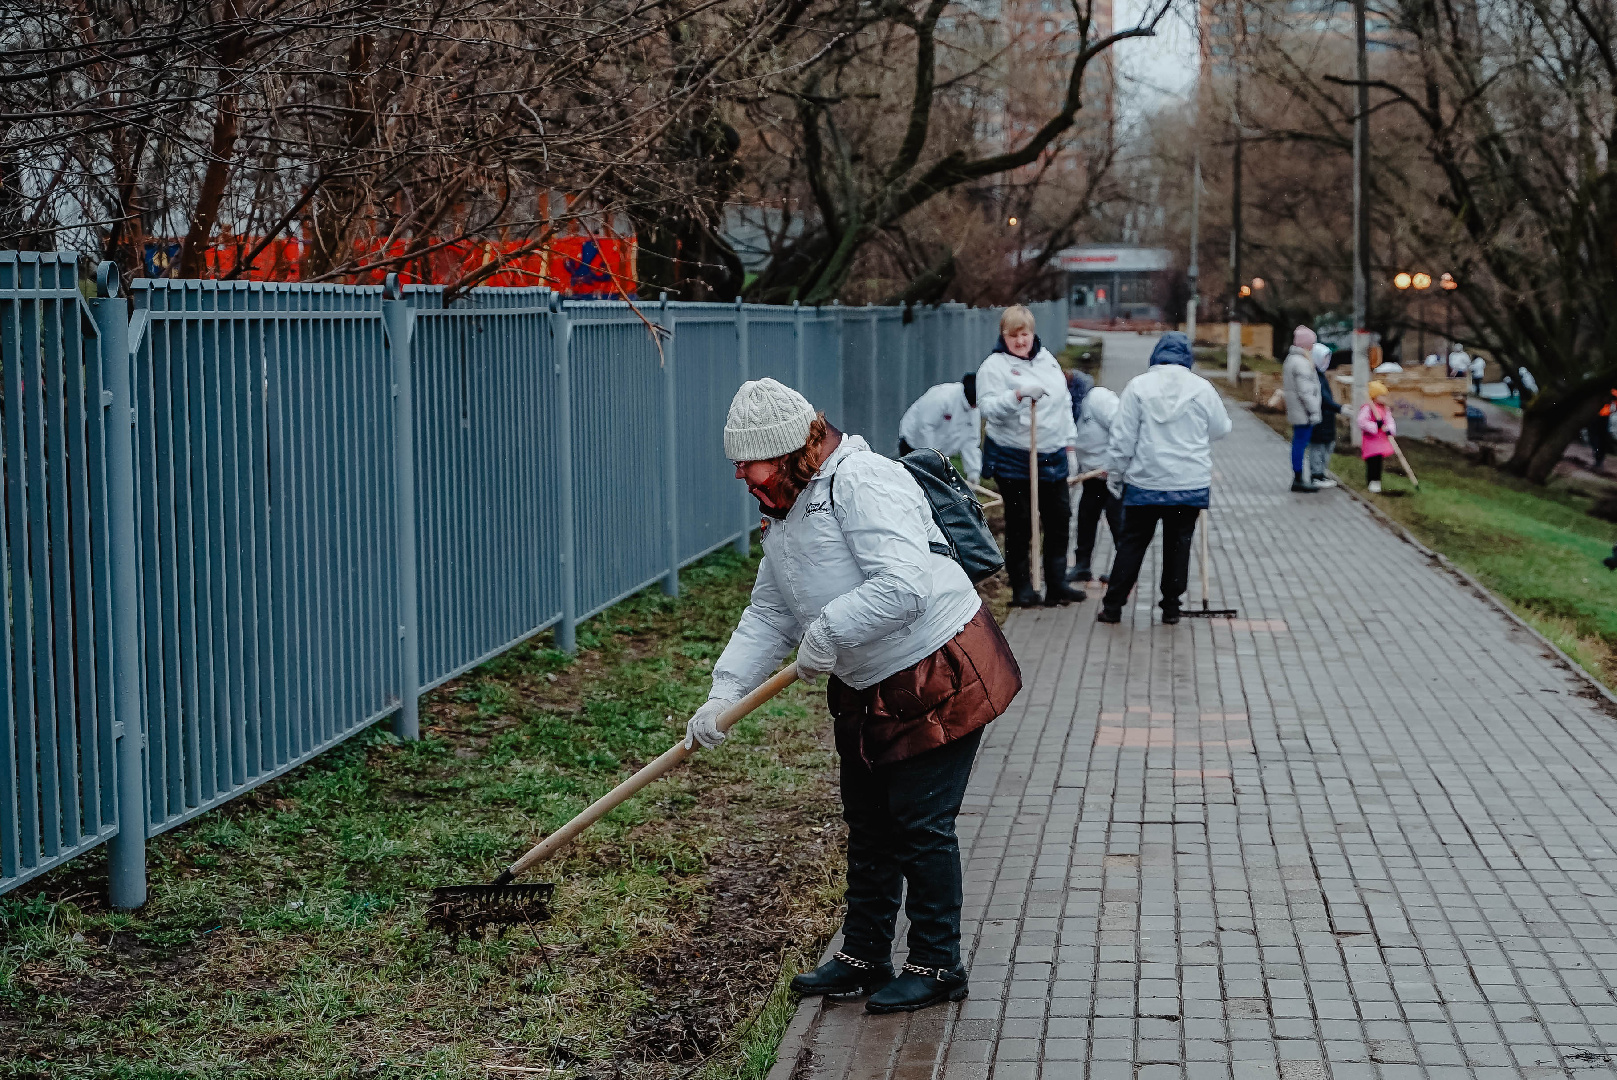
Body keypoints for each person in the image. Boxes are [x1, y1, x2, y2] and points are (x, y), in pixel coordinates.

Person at [685, 377, 1023, 1014]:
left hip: (938, 673)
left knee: (919, 825)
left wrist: (831, 629)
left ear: (789, 452)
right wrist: (724, 692)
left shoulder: (863, 483)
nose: (739, 476)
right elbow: (768, 613)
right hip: (869, 684)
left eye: (748, 462)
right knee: (869, 824)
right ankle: (864, 955)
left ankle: (937, 963)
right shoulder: (787, 509)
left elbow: (904, 587)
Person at [1096, 332, 1232, 625]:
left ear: (1156, 355)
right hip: (1189, 484)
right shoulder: (1202, 388)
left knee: (1132, 544)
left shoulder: (1138, 387)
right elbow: (1221, 428)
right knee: (1178, 545)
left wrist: (1116, 475)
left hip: (1146, 482)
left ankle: (1113, 607)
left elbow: (1122, 439)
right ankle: (1171, 608)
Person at [977, 305, 1083, 607]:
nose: (1020, 341)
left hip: (1052, 453)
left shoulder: (1047, 361)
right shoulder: (994, 366)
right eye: (1013, 336)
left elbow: (1064, 407)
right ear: (1004, 336)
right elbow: (987, 408)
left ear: (1032, 333)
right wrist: (1017, 396)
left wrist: (1070, 446)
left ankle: (1057, 583)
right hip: (1014, 456)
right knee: (1020, 522)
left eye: (1025, 334)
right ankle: (1023, 587)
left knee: (1059, 519)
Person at [1067, 382, 1121, 589]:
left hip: (1112, 474)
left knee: (1117, 520)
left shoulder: (1098, 398)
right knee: (1086, 518)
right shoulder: (1069, 408)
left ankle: (1122, 570)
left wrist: (1114, 464)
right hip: (1090, 475)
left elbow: (1121, 428)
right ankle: (1082, 565)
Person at [897, 374, 982, 484]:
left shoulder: (974, 409)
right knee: (912, 483)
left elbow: (970, 440)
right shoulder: (943, 397)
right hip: (913, 445)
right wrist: (932, 460)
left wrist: (973, 472)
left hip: (939, 454)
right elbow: (925, 427)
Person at [1281, 325, 1324, 492]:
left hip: (1297, 411)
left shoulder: (1292, 360)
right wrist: (1314, 412)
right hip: (1303, 413)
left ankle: (1298, 477)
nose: (1313, 347)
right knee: (1300, 444)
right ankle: (1298, 478)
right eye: (1311, 343)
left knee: (1298, 443)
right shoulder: (1301, 363)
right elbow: (1306, 392)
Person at [1307, 342, 1341, 489]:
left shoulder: (1321, 375)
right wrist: (1340, 408)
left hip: (1326, 419)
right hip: (1318, 420)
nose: (1327, 362)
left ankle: (1321, 473)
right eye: (1324, 358)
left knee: (1327, 446)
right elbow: (1324, 400)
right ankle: (1317, 475)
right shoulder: (1314, 376)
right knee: (1318, 448)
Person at [1359, 380, 1397, 493]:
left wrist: (1389, 429)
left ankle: (1377, 482)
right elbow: (1361, 421)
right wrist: (1375, 425)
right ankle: (1371, 482)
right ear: (1375, 396)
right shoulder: (1368, 408)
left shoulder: (1385, 409)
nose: (1384, 398)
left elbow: (1390, 421)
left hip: (1381, 440)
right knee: (1372, 462)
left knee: (1379, 462)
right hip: (1371, 440)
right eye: (1382, 395)